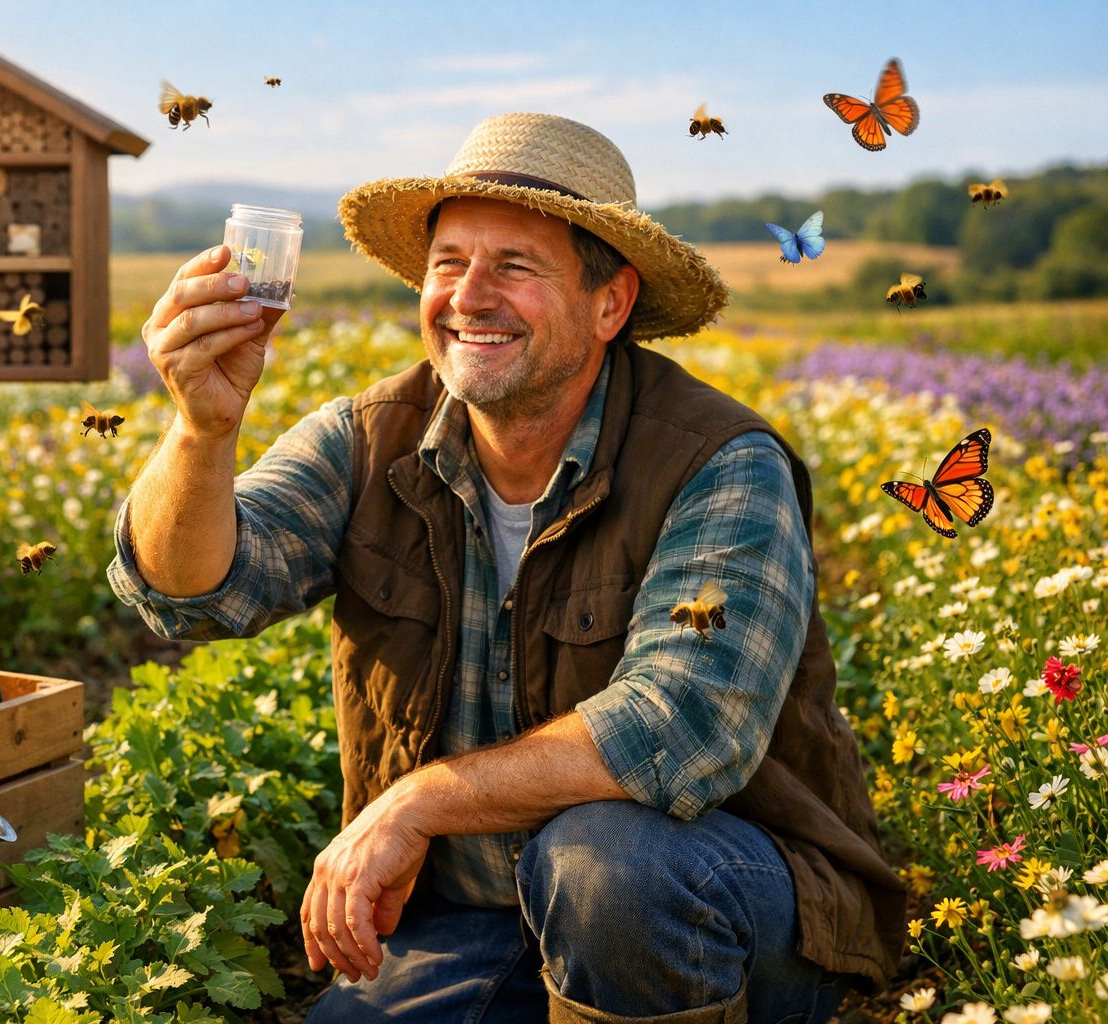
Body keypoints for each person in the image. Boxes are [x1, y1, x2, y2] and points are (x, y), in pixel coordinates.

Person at [109, 113, 904, 1024]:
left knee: (611, 868)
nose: (468, 296)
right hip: (475, 914)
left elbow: (683, 723)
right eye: (448, 262)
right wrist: (201, 431)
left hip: (717, 907)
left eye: (514, 266)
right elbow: (191, 596)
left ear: (610, 304)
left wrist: (418, 803)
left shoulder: (718, 462)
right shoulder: (369, 439)